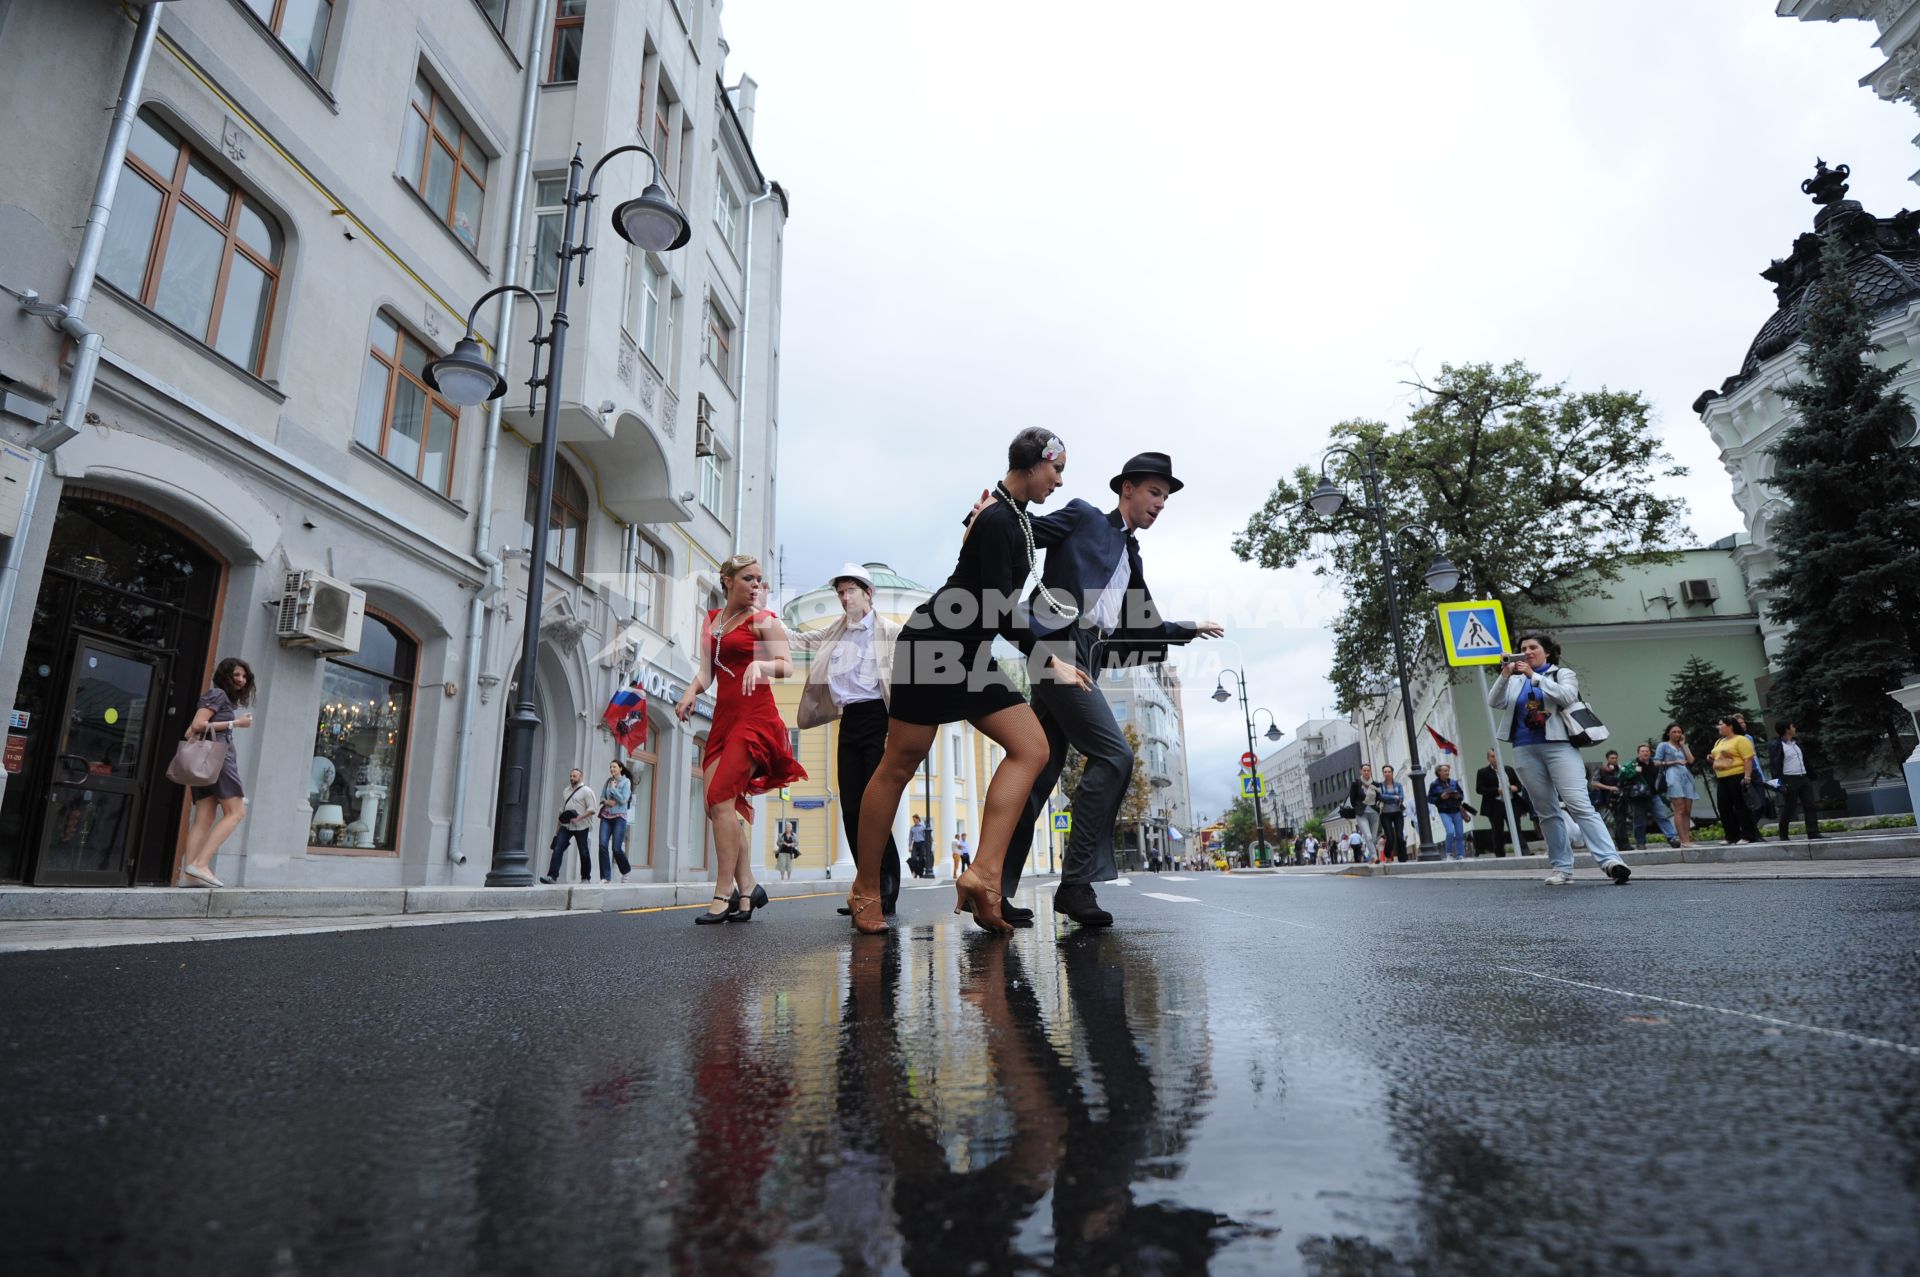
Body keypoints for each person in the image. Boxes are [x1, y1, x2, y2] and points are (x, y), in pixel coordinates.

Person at [843, 428, 1086, 934]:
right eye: (1056, 469)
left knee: (1031, 747)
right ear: (1034, 464)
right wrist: (1049, 660)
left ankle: (982, 875)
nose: (1059, 481)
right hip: (933, 644)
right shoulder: (1000, 518)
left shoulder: (1010, 515)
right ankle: (866, 886)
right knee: (898, 764)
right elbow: (998, 608)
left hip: (966, 650)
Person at [982, 450, 1222, 928]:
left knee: (1038, 777)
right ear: (1126, 489)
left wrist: (1188, 628)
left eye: (1166, 497)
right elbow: (1028, 535)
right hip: (1056, 648)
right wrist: (991, 512)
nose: (1160, 503)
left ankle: (991, 889)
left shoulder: (1131, 556)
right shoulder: (1085, 516)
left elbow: (1142, 627)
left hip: (1084, 655)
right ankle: (1075, 885)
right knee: (1115, 756)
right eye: (1155, 492)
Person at [676, 553, 807, 924]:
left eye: (760, 580)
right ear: (728, 580)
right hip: (723, 719)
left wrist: (760, 663)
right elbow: (706, 672)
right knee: (718, 805)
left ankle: (723, 892)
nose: (756, 586)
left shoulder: (762, 620)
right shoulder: (714, 622)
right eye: (748, 578)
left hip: (755, 719)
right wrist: (690, 692)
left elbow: (786, 664)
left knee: (720, 797)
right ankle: (748, 887)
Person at [791, 563, 906, 918]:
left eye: (850, 591)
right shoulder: (835, 631)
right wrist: (762, 621)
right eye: (840, 592)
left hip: (879, 720)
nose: (843, 598)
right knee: (852, 809)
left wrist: (895, 732)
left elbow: (904, 683)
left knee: (876, 808)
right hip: (849, 721)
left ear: (868, 594)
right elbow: (798, 640)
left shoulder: (890, 632)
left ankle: (885, 890)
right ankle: (865, 885)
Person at [1488, 631, 1632, 886]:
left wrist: (1535, 677)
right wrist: (1505, 674)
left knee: (1579, 803)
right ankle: (1562, 868)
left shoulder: (1562, 674)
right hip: (1525, 749)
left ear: (1548, 651)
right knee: (1546, 811)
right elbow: (1494, 701)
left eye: (1533, 647)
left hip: (1559, 747)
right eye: (1523, 648)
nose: (1528, 652)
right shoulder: (1514, 680)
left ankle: (1611, 861)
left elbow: (1566, 697)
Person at [177, 657, 255, 887]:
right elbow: (198, 725)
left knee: (204, 818)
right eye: (236, 675)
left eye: (244, 676)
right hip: (219, 759)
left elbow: (190, 730)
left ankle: (189, 875)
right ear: (225, 675)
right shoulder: (218, 695)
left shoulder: (219, 699)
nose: (241, 680)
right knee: (237, 812)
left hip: (205, 762)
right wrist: (235, 724)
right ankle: (200, 864)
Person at [1709, 715, 1763, 846]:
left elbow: (1748, 759)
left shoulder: (1741, 740)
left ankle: (1748, 835)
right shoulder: (1719, 741)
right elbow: (1718, 757)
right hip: (1722, 777)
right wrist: (1712, 759)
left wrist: (1747, 777)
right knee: (1723, 807)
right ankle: (1731, 836)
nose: (1718, 727)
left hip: (1737, 776)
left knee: (1741, 807)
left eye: (1721, 724)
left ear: (1730, 726)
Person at [1770, 721, 1824, 842]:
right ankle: (1783, 834)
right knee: (1790, 807)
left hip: (1803, 778)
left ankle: (1813, 832)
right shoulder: (1777, 745)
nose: (1795, 728)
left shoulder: (1797, 743)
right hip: (1789, 779)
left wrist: (1812, 775)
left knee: (1810, 805)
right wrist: (1780, 784)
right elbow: (1775, 766)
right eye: (1792, 726)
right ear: (1786, 729)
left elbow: (1805, 760)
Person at [1618, 743, 1679, 849]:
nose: (1645, 753)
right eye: (1642, 751)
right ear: (1638, 753)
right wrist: (1634, 772)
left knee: (1662, 817)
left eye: (1647, 751)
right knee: (1639, 821)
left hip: (1654, 795)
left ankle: (1672, 838)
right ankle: (1640, 842)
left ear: (1650, 753)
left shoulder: (1654, 764)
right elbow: (1621, 776)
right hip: (1638, 797)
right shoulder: (1632, 764)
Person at [541, 767, 596, 883]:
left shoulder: (587, 791)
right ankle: (552, 876)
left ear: (581, 777)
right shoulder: (566, 791)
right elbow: (561, 810)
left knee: (583, 851)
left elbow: (592, 809)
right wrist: (557, 828)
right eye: (570, 776)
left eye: (574, 776)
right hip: (566, 826)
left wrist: (579, 818)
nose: (572, 778)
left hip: (581, 826)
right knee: (557, 848)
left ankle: (586, 878)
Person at [1654, 723, 1697, 847]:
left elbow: (1691, 760)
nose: (1677, 734)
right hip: (1673, 776)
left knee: (1688, 810)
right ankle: (1683, 840)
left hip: (1686, 776)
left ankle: (1687, 838)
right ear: (1668, 733)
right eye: (1674, 732)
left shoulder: (1683, 745)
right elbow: (1656, 762)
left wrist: (1684, 745)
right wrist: (1675, 761)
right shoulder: (1664, 745)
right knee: (1680, 809)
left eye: (1679, 732)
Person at [1475, 748, 1525, 856]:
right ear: (1488, 758)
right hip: (1495, 805)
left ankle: (1524, 851)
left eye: (1497, 756)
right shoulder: (1483, 772)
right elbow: (1479, 789)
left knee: (1516, 827)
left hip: (1511, 803)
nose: (1496, 758)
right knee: (1497, 830)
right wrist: (1497, 790)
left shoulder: (1508, 769)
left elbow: (1519, 785)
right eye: (1493, 756)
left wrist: (1514, 787)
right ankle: (1500, 854)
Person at [597, 760, 634, 883]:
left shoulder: (626, 782)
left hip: (619, 818)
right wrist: (606, 802)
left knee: (616, 848)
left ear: (620, 769)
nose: (612, 769)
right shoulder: (608, 781)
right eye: (610, 767)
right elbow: (602, 797)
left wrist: (613, 790)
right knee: (602, 845)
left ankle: (626, 871)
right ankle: (605, 877)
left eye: (614, 767)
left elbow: (624, 800)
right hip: (606, 817)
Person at [1427, 763, 1467, 859]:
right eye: (1445, 771)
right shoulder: (1434, 784)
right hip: (1444, 811)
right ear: (1439, 772)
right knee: (1450, 832)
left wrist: (1458, 797)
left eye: (1448, 770)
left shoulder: (1453, 782)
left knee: (1460, 833)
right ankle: (1448, 854)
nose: (1447, 772)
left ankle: (1460, 854)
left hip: (1456, 810)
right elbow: (1430, 799)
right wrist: (1440, 798)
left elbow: (1461, 794)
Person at [1590, 750, 1626, 849]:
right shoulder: (1602, 770)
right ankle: (1605, 845)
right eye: (1612, 758)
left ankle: (1622, 844)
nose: (1614, 760)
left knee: (1621, 822)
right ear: (1607, 759)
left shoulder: (1621, 769)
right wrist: (1609, 788)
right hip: (1606, 800)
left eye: (1615, 758)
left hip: (1620, 799)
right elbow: (1594, 783)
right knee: (1607, 823)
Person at [1347, 764, 1381, 854]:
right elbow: (1352, 799)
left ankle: (1371, 855)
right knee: (1368, 836)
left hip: (1374, 813)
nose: (1366, 772)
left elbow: (1379, 797)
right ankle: (1374, 857)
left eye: (1368, 770)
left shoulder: (1376, 784)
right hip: (1361, 813)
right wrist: (1358, 807)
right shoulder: (1356, 783)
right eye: (1364, 770)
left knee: (1373, 838)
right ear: (1361, 771)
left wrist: (1377, 806)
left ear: (1370, 772)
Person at [1376, 764, 1408, 862]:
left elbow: (1401, 797)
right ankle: (1387, 853)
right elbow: (1381, 797)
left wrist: (1388, 798)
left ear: (1392, 773)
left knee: (1400, 836)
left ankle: (1403, 859)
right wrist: (1394, 797)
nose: (1387, 773)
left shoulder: (1398, 785)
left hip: (1398, 813)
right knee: (1390, 837)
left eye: (1389, 772)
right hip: (1385, 814)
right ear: (1383, 773)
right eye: (1385, 772)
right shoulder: (1380, 786)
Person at [906, 814, 932, 878]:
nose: (914, 821)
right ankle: (916, 872)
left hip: (922, 844)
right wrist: (909, 847)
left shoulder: (923, 827)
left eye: (915, 820)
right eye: (913, 820)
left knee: (921, 860)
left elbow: (926, 836)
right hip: (915, 844)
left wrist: (928, 844)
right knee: (913, 858)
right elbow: (910, 838)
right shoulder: (912, 828)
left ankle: (920, 873)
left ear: (918, 819)